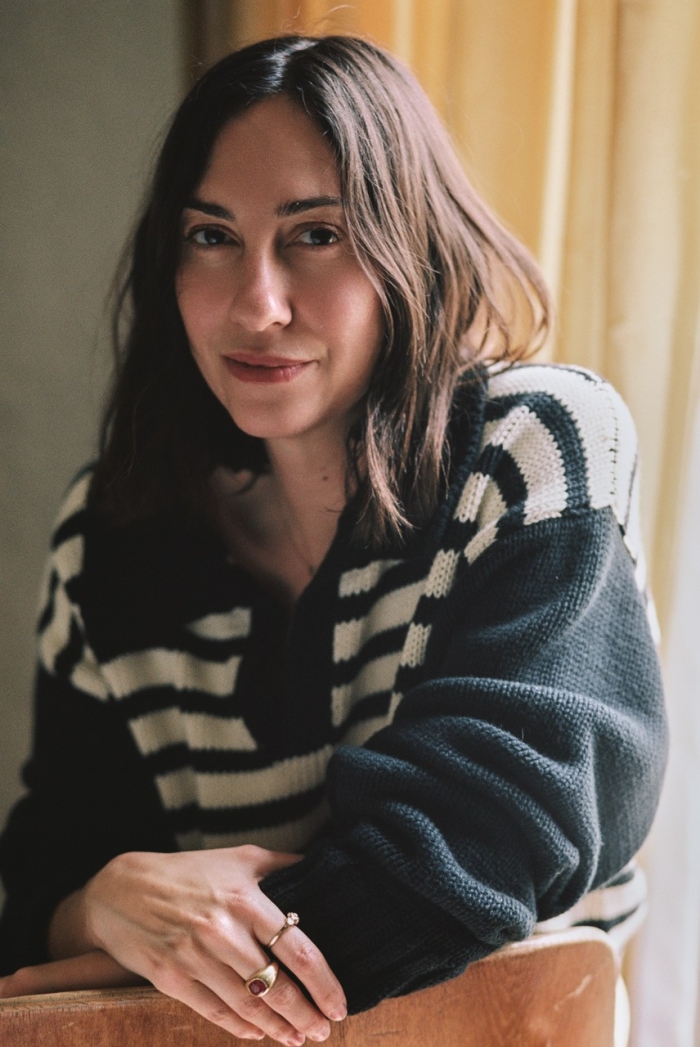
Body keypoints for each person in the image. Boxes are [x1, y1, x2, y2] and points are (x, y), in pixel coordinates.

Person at [0, 33, 666, 1045]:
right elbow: (45, 888)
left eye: (315, 233)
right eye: (210, 236)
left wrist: (160, 955)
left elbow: (490, 840)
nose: (257, 304)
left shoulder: (535, 445)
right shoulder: (109, 539)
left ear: (411, 246)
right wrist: (103, 901)